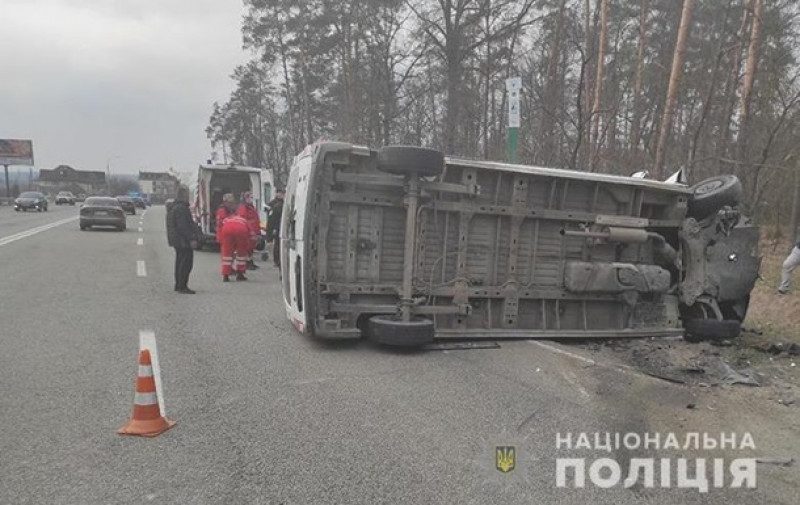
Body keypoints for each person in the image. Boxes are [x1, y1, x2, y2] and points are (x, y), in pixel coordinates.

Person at [167, 188, 199, 294]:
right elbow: (183, 226)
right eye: (187, 195)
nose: (189, 197)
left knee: (180, 262)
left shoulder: (175, 207)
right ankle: (182, 286)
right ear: (183, 196)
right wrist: (192, 238)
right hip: (182, 240)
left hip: (177, 240)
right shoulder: (181, 208)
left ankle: (178, 285)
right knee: (185, 263)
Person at [215, 193, 250, 282]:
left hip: (228, 232)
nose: (231, 204)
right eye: (230, 202)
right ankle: (234, 272)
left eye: (232, 202)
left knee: (229, 254)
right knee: (232, 254)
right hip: (226, 232)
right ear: (225, 202)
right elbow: (220, 224)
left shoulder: (230, 210)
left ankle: (229, 272)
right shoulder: (222, 210)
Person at [237, 191, 261, 270]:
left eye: (252, 197)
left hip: (253, 230)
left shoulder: (250, 207)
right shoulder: (243, 208)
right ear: (245, 198)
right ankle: (247, 263)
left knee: (251, 248)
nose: (251, 199)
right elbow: (243, 219)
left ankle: (250, 262)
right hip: (248, 231)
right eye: (250, 197)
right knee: (247, 248)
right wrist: (249, 230)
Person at [266, 189, 285, 268]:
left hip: (281, 226)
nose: (280, 195)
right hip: (276, 226)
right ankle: (276, 260)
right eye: (279, 193)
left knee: (279, 243)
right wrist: (272, 229)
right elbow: (271, 218)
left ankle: (279, 260)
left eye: (282, 193)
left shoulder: (283, 203)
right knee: (277, 244)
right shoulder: (273, 204)